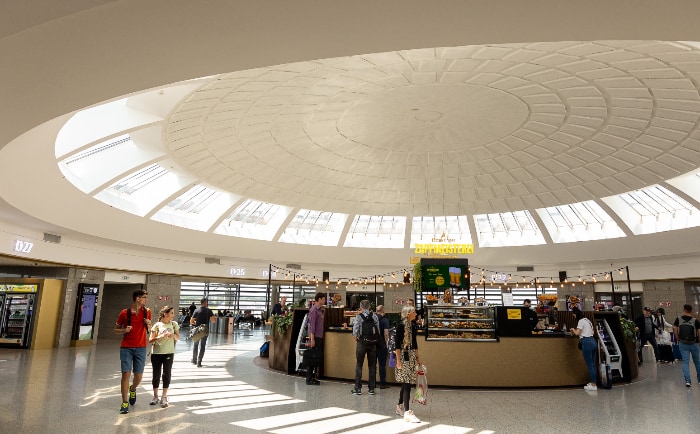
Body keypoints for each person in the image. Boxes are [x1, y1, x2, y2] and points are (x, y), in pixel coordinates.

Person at [114, 289, 152, 414]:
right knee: (125, 374)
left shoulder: (147, 312)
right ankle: (124, 402)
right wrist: (124, 330)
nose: (146, 300)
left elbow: (149, 330)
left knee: (138, 376)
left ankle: (133, 389)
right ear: (138, 298)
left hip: (141, 348)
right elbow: (116, 330)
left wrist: (149, 324)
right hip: (126, 348)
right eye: (144, 297)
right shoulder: (124, 313)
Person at [394, 305, 422, 423]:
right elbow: (397, 345)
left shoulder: (412, 325)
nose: (416, 314)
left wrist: (418, 358)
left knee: (408, 382)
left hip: (410, 356)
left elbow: (414, 343)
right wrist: (398, 361)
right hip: (403, 356)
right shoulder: (401, 326)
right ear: (408, 313)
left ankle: (399, 406)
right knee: (407, 384)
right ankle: (407, 412)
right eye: (414, 312)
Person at [148, 305, 179, 408]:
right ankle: (155, 396)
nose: (173, 315)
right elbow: (150, 340)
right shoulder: (157, 325)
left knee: (166, 374)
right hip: (156, 353)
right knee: (156, 374)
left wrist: (173, 336)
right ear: (165, 314)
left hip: (169, 353)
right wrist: (159, 337)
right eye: (171, 313)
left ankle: (164, 396)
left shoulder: (174, 325)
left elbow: (178, 337)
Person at [351, 299, 380, 395]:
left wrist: (356, 337)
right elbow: (378, 330)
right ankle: (371, 389)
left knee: (359, 365)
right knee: (372, 366)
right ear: (369, 307)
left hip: (362, 343)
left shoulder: (359, 317)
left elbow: (355, 330)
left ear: (361, 307)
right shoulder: (374, 316)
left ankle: (357, 388)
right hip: (373, 344)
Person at [673, 304, 700, 387]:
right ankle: (699, 380)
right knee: (697, 362)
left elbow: (675, 329)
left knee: (685, 362)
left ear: (683, 310)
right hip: (694, 343)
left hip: (683, 343)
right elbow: (699, 332)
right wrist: (698, 341)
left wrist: (678, 338)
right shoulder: (695, 320)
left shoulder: (678, 319)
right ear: (691, 311)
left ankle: (688, 381)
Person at [571, 307, 597, 391]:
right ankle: (593, 382)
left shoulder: (581, 321)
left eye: (574, 315)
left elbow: (577, 333)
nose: (574, 317)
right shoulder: (587, 320)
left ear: (575, 314)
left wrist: (573, 330)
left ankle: (593, 385)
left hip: (586, 342)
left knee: (589, 365)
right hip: (593, 341)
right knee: (592, 364)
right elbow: (593, 332)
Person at [306, 292, 326, 385]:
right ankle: (309, 379)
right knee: (312, 358)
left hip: (319, 336)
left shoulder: (320, 310)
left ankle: (313, 377)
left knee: (316, 358)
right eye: (323, 299)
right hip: (315, 337)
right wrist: (312, 339)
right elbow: (311, 326)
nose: (324, 300)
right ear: (319, 299)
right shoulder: (314, 310)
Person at [190, 297, 215, 367]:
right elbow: (214, 320)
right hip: (205, 331)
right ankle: (199, 362)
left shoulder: (196, 310)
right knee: (203, 346)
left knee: (195, 345)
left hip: (197, 330)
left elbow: (191, 321)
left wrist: (197, 323)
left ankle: (194, 360)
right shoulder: (209, 311)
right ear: (206, 302)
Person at [375, 304, 390, 389]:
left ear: (376, 311)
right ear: (383, 312)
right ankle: (382, 384)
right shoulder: (385, 320)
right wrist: (386, 343)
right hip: (381, 345)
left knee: (372, 364)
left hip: (372, 344)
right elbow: (386, 333)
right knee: (382, 364)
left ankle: (372, 383)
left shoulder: (372, 319)